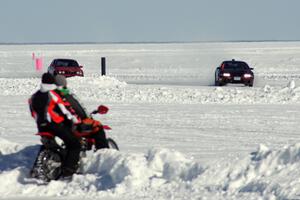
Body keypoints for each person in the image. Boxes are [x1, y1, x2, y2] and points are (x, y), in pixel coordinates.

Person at [29, 73, 81, 177]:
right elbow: (64, 110)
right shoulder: (53, 94)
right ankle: (69, 169)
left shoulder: (33, 97)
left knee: (46, 145)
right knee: (75, 144)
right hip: (55, 126)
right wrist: (74, 120)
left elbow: (33, 113)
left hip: (41, 127)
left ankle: (35, 169)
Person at [54, 75, 109, 149]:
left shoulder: (49, 94)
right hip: (71, 125)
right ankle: (104, 153)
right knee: (98, 127)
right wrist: (86, 117)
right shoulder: (65, 93)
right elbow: (78, 107)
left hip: (55, 124)